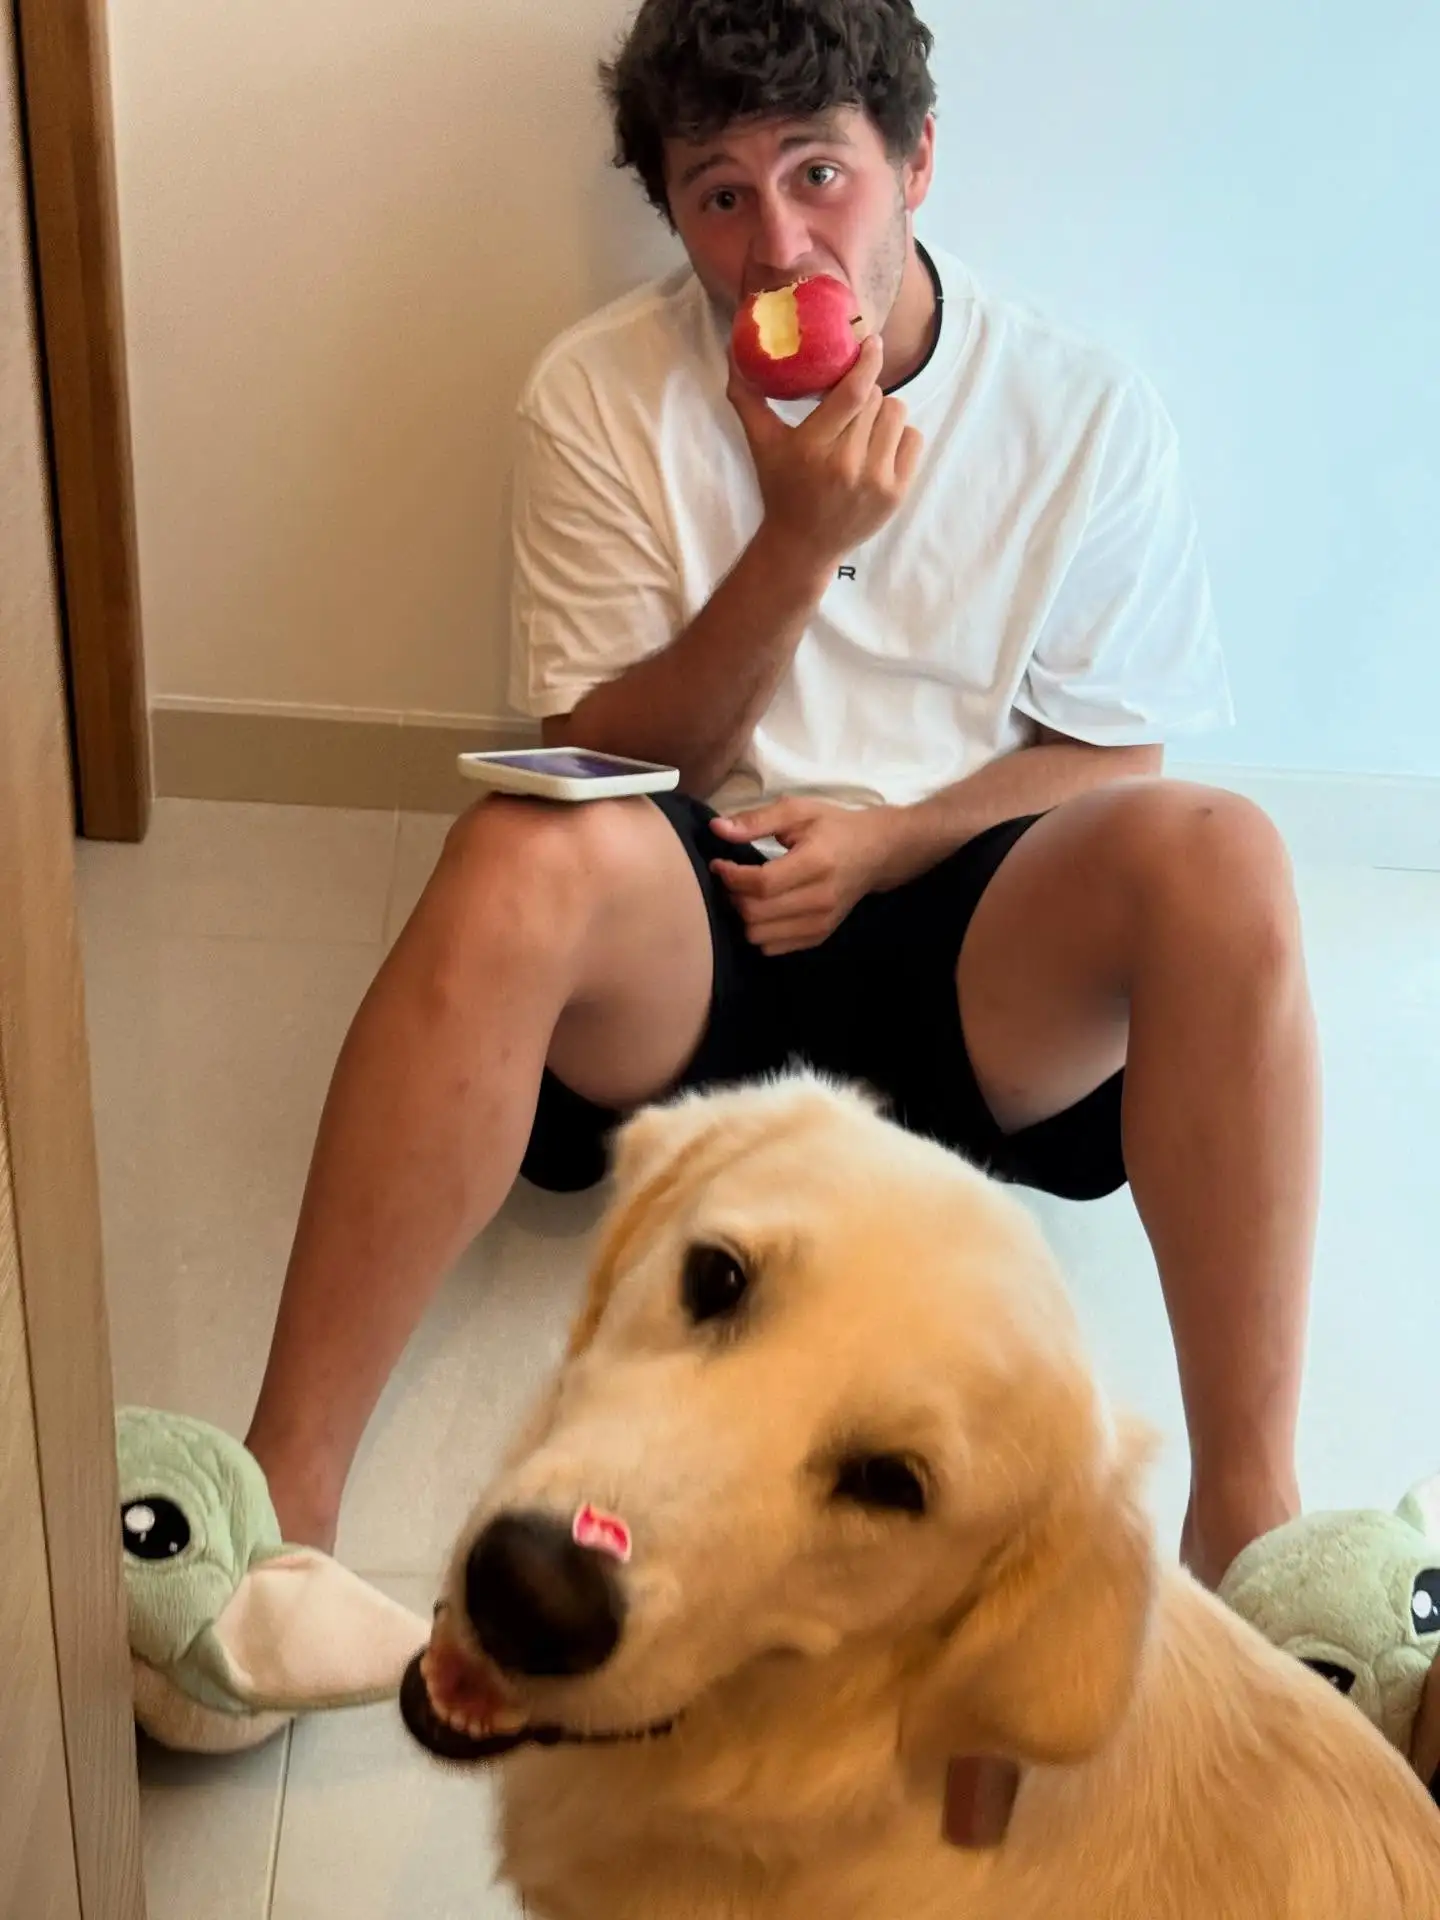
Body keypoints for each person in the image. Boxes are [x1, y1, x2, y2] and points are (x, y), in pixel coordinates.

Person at [244, 0, 1318, 1595]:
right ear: (674, 211)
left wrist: (892, 843)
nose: (776, 245)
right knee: (513, 849)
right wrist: (797, 547)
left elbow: (1119, 756)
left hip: (971, 949)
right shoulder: (597, 394)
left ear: (916, 162)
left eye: (821, 174)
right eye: (721, 194)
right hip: (695, 940)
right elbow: (603, 754)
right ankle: (278, 1507)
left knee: (1225, 851)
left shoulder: (1084, 412)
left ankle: (1252, 1521)